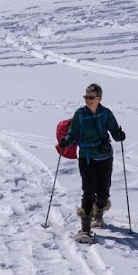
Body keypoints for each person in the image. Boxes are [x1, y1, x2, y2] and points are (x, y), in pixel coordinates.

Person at [57, 82, 126, 244]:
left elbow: (114, 131)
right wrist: (65, 142)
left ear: (99, 98)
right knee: (88, 192)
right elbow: (72, 133)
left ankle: (99, 213)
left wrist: (119, 135)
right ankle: (85, 229)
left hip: (105, 157)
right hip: (86, 157)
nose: (88, 100)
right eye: (86, 97)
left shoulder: (106, 114)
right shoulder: (80, 114)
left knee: (103, 193)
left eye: (91, 97)